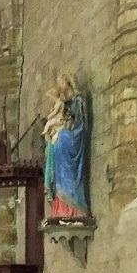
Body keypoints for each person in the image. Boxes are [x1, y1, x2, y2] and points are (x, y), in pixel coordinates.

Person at [43, 74, 90, 219]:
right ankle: (61, 208)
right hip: (62, 143)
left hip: (72, 139)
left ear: (68, 82)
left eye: (61, 83)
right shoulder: (64, 103)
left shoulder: (78, 100)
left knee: (61, 137)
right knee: (54, 144)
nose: (59, 87)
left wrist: (64, 127)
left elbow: (80, 125)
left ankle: (75, 209)